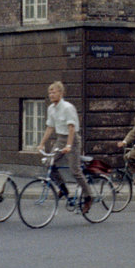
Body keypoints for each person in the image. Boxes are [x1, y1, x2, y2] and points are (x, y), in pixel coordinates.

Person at [36, 81, 90, 211]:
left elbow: (71, 128)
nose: (51, 94)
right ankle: (63, 189)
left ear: (61, 93)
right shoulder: (51, 108)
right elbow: (50, 128)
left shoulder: (67, 107)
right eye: (50, 92)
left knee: (75, 170)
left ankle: (88, 197)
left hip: (73, 139)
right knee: (49, 163)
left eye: (54, 92)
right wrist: (42, 143)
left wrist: (69, 146)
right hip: (60, 139)